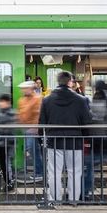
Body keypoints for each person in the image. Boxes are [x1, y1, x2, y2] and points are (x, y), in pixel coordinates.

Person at [39, 70, 92, 202]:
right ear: (70, 82)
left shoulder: (47, 100)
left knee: (54, 172)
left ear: (58, 82)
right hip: (75, 142)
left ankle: (55, 199)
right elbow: (87, 122)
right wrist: (85, 138)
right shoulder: (81, 100)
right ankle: (74, 199)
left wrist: (43, 138)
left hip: (54, 142)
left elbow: (42, 123)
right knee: (75, 172)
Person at [17, 80, 43, 182]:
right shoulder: (22, 100)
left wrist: (36, 127)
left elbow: (38, 114)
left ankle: (39, 172)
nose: (23, 90)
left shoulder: (38, 99)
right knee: (34, 150)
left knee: (32, 149)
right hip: (26, 128)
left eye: (25, 88)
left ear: (31, 89)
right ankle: (39, 171)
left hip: (33, 129)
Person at [0, 93, 16, 192]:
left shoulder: (10, 113)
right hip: (1, 143)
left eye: (1, 102)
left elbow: (6, 129)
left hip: (7, 143)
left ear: (7, 102)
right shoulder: (3, 113)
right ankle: (8, 181)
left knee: (6, 164)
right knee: (3, 164)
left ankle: (10, 183)